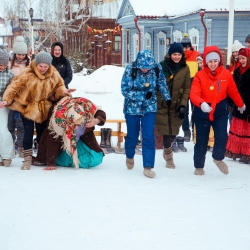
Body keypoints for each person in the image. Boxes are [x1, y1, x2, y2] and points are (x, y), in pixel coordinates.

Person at [0, 51, 75, 170]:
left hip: (43, 110)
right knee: (27, 134)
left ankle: (41, 157)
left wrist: (64, 91)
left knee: (42, 134)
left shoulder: (53, 74)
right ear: (37, 64)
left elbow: (58, 88)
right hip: (28, 108)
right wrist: (7, 100)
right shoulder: (27, 73)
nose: (43, 69)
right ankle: (27, 159)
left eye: (46, 66)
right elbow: (14, 87)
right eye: (41, 66)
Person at [190, 45, 245, 176]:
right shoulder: (199, 75)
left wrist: (240, 104)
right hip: (202, 110)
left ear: (219, 61)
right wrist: (201, 102)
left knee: (221, 136)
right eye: (210, 61)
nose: (213, 64)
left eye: (215, 61)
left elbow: (233, 91)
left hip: (220, 109)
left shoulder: (225, 74)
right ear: (206, 62)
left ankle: (218, 158)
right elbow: (193, 94)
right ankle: (199, 166)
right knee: (202, 140)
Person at [121, 50, 171, 178]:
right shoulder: (130, 69)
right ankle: (130, 155)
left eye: (147, 67)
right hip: (132, 108)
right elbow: (125, 90)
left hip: (150, 107)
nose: (145, 70)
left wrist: (167, 98)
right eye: (143, 67)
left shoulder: (156, 68)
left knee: (148, 135)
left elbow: (161, 83)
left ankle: (148, 166)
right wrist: (142, 95)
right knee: (133, 135)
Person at [32, 96, 105, 170]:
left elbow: (100, 113)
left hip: (80, 142)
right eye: (75, 125)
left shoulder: (86, 107)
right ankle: (66, 158)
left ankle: (74, 157)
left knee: (96, 158)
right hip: (63, 146)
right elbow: (52, 141)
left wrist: (96, 120)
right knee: (67, 159)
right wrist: (51, 163)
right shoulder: (58, 121)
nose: (78, 125)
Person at [156, 42, 190, 168]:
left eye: (179, 54)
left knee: (173, 132)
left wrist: (182, 105)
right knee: (166, 131)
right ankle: (169, 158)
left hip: (177, 104)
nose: (176, 57)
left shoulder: (185, 68)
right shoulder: (161, 66)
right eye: (174, 54)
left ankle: (167, 149)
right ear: (170, 55)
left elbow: (187, 88)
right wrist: (161, 99)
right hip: (163, 104)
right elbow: (156, 85)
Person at [225, 48, 250, 163]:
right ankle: (238, 152)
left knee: (247, 130)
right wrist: (231, 102)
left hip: (249, 104)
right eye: (240, 58)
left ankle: (247, 154)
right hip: (238, 103)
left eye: (243, 58)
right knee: (238, 129)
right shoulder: (237, 71)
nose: (241, 60)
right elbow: (232, 88)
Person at [8, 36, 30, 158]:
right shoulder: (9, 64)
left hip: (23, 99)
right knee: (10, 124)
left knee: (21, 125)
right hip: (11, 99)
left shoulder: (29, 65)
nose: (21, 57)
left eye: (23, 54)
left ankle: (21, 147)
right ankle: (10, 146)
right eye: (19, 54)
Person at [180, 33, 200, 142]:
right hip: (183, 87)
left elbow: (201, 71)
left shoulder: (197, 55)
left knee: (195, 111)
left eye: (187, 46)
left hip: (194, 87)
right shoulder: (178, 56)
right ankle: (186, 132)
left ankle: (194, 130)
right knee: (184, 111)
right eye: (183, 46)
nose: (185, 49)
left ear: (190, 46)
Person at [0, 47, 15, 167]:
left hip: (3, 104)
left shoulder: (10, 74)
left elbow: (12, 90)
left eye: (4, 65)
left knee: (3, 130)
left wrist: (6, 100)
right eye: (0, 64)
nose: (2, 67)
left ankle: (7, 155)